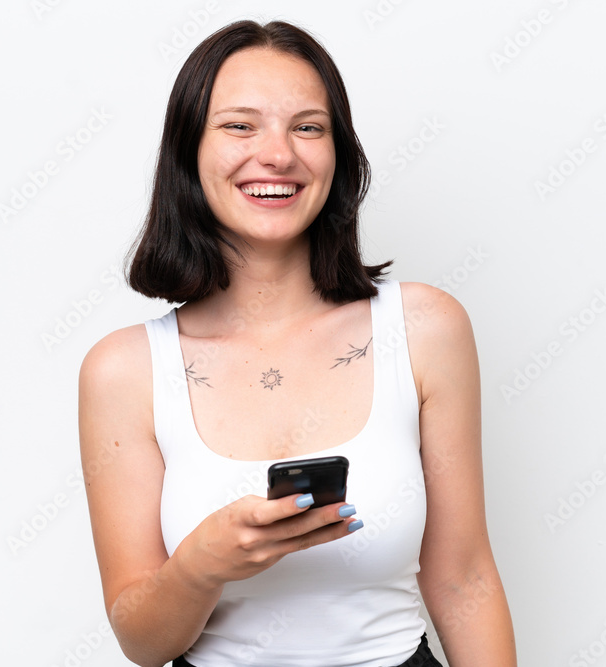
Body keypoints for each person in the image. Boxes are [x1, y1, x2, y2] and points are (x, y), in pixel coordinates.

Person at [79, 19, 516, 667]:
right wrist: (201, 565)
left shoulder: (426, 327)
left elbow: (464, 576)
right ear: (188, 153)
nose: (278, 154)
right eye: (239, 125)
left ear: (337, 155)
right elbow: (143, 641)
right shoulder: (122, 370)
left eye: (307, 127)